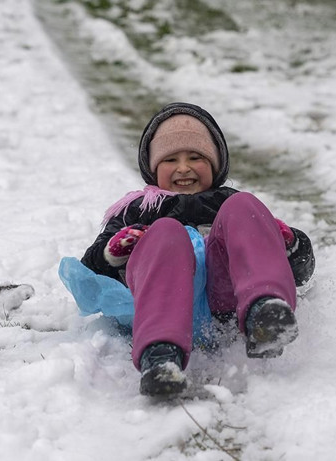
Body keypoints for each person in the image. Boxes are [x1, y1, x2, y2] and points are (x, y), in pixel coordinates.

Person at [80, 102, 315, 396]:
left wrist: (289, 244)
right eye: (170, 160)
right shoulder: (137, 210)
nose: (183, 168)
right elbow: (89, 274)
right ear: (152, 169)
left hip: (226, 303)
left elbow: (301, 269)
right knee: (165, 231)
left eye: (195, 157)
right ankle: (161, 356)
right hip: (163, 303)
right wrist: (112, 254)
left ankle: (264, 313)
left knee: (245, 207)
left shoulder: (232, 204)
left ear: (216, 164)